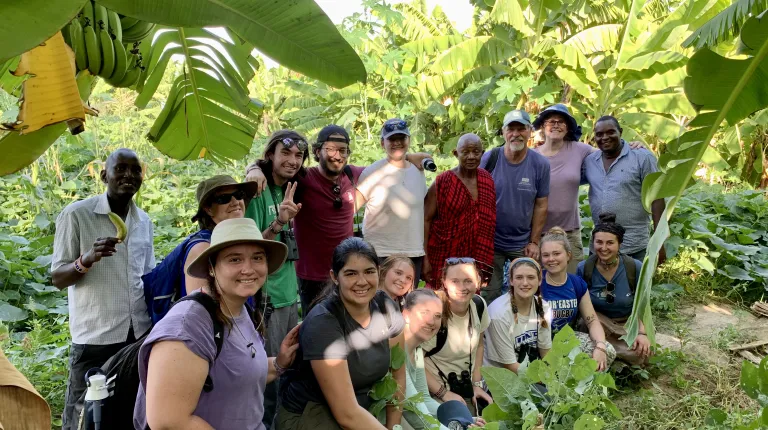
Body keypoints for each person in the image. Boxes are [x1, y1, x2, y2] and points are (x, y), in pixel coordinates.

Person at [133, 218, 299, 429]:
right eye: (234, 260)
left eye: (257, 258)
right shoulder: (188, 327)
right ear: (211, 267)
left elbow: (236, 375)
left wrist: (278, 364)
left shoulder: (240, 309)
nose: (248, 269)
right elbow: (169, 421)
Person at [246, 125, 430, 316]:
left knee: (348, 328)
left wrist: (408, 156)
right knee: (314, 329)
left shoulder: (354, 175)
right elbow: (276, 168)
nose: (337, 155)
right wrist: (254, 168)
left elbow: (389, 164)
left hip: (346, 272)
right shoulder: (304, 179)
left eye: (342, 150)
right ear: (318, 151)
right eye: (331, 149)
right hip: (312, 275)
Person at [51, 148, 154, 430]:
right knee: (81, 415)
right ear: (104, 175)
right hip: (95, 337)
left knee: (127, 411)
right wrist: (85, 260)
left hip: (137, 334)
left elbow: (146, 276)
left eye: (135, 170)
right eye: (120, 169)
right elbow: (58, 278)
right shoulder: (77, 215)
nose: (129, 176)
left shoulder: (143, 221)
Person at [276, 237, 406, 430]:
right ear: (335, 276)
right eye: (351, 274)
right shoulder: (324, 323)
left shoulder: (385, 305)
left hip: (362, 409)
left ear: (379, 272)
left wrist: (393, 427)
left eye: (369, 271)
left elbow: (398, 377)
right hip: (313, 414)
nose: (362, 281)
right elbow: (346, 414)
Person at [244, 129, 309, 428]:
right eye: (286, 153)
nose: (293, 160)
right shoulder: (255, 189)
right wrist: (280, 221)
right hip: (265, 299)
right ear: (270, 154)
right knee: (267, 373)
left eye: (298, 155)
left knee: (285, 369)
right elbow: (253, 249)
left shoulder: (294, 187)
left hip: (287, 295)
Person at [480, 110, 550, 304]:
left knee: (529, 289)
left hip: (522, 242)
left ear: (530, 132)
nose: (516, 134)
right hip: (491, 242)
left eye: (521, 128)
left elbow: (541, 204)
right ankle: (486, 333)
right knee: (489, 293)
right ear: (503, 132)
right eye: (511, 129)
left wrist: (534, 242)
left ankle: (526, 329)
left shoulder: (540, 164)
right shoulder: (490, 158)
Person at [582, 116, 667, 263]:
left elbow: (657, 198)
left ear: (620, 132)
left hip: (634, 244)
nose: (605, 137)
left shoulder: (643, 157)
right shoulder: (590, 161)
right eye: (599, 134)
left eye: (610, 132)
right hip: (601, 245)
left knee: (634, 285)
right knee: (597, 285)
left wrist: (659, 242)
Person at [400, 289, 485, 430]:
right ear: (406, 315)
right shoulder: (397, 351)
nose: (431, 321)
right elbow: (414, 412)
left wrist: (467, 421)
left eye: (437, 316)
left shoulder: (417, 350)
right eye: (424, 313)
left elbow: (425, 399)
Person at [577, 213, 652, 365]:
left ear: (620, 244)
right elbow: (581, 308)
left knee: (641, 352)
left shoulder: (634, 267)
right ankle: (612, 353)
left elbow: (642, 306)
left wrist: (642, 333)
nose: (603, 248)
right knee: (586, 325)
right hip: (597, 323)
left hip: (627, 324)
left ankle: (610, 354)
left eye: (610, 243)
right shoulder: (584, 268)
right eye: (599, 242)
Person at [423, 133, 496, 290]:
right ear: (456, 154)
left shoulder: (487, 180)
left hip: (477, 257)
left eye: (476, 152)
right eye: (465, 152)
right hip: (444, 256)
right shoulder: (443, 182)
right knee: (441, 299)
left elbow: (488, 221)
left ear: (482, 154)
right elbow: (425, 219)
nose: (471, 156)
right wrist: (425, 258)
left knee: (469, 299)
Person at [356, 119, 428, 277]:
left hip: (413, 253)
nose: (397, 143)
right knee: (380, 301)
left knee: (409, 300)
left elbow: (423, 212)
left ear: (408, 140)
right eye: (392, 139)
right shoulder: (372, 172)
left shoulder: (418, 171)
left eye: (401, 139)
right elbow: (350, 210)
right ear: (383, 143)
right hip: (381, 253)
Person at [422, 258, 492, 415]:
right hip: (436, 395)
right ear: (444, 282)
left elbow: (479, 345)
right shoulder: (435, 313)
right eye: (455, 281)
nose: (462, 287)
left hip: (467, 390)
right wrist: (443, 394)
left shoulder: (478, 305)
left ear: (478, 282)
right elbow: (415, 361)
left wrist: (477, 384)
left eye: (468, 281)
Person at [539, 227, 615, 371]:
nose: (551, 259)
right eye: (546, 255)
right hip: (538, 340)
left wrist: (600, 346)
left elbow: (592, 320)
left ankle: (589, 388)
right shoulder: (536, 281)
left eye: (556, 253)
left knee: (608, 351)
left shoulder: (576, 283)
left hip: (565, 338)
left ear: (568, 255)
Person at [532, 104, 593, 273]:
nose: (556, 125)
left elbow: (608, 154)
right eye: (551, 121)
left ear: (568, 128)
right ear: (543, 126)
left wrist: (629, 145)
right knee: (539, 287)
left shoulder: (580, 150)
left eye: (561, 122)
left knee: (572, 283)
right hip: (538, 235)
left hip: (570, 233)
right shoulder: (532, 155)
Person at [484, 258, 551, 373]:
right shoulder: (499, 314)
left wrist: (554, 374)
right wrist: (546, 379)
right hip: (501, 377)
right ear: (511, 280)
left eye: (531, 277)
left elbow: (546, 353)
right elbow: (510, 366)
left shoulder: (543, 307)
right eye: (519, 277)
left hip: (528, 370)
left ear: (540, 280)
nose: (525, 283)